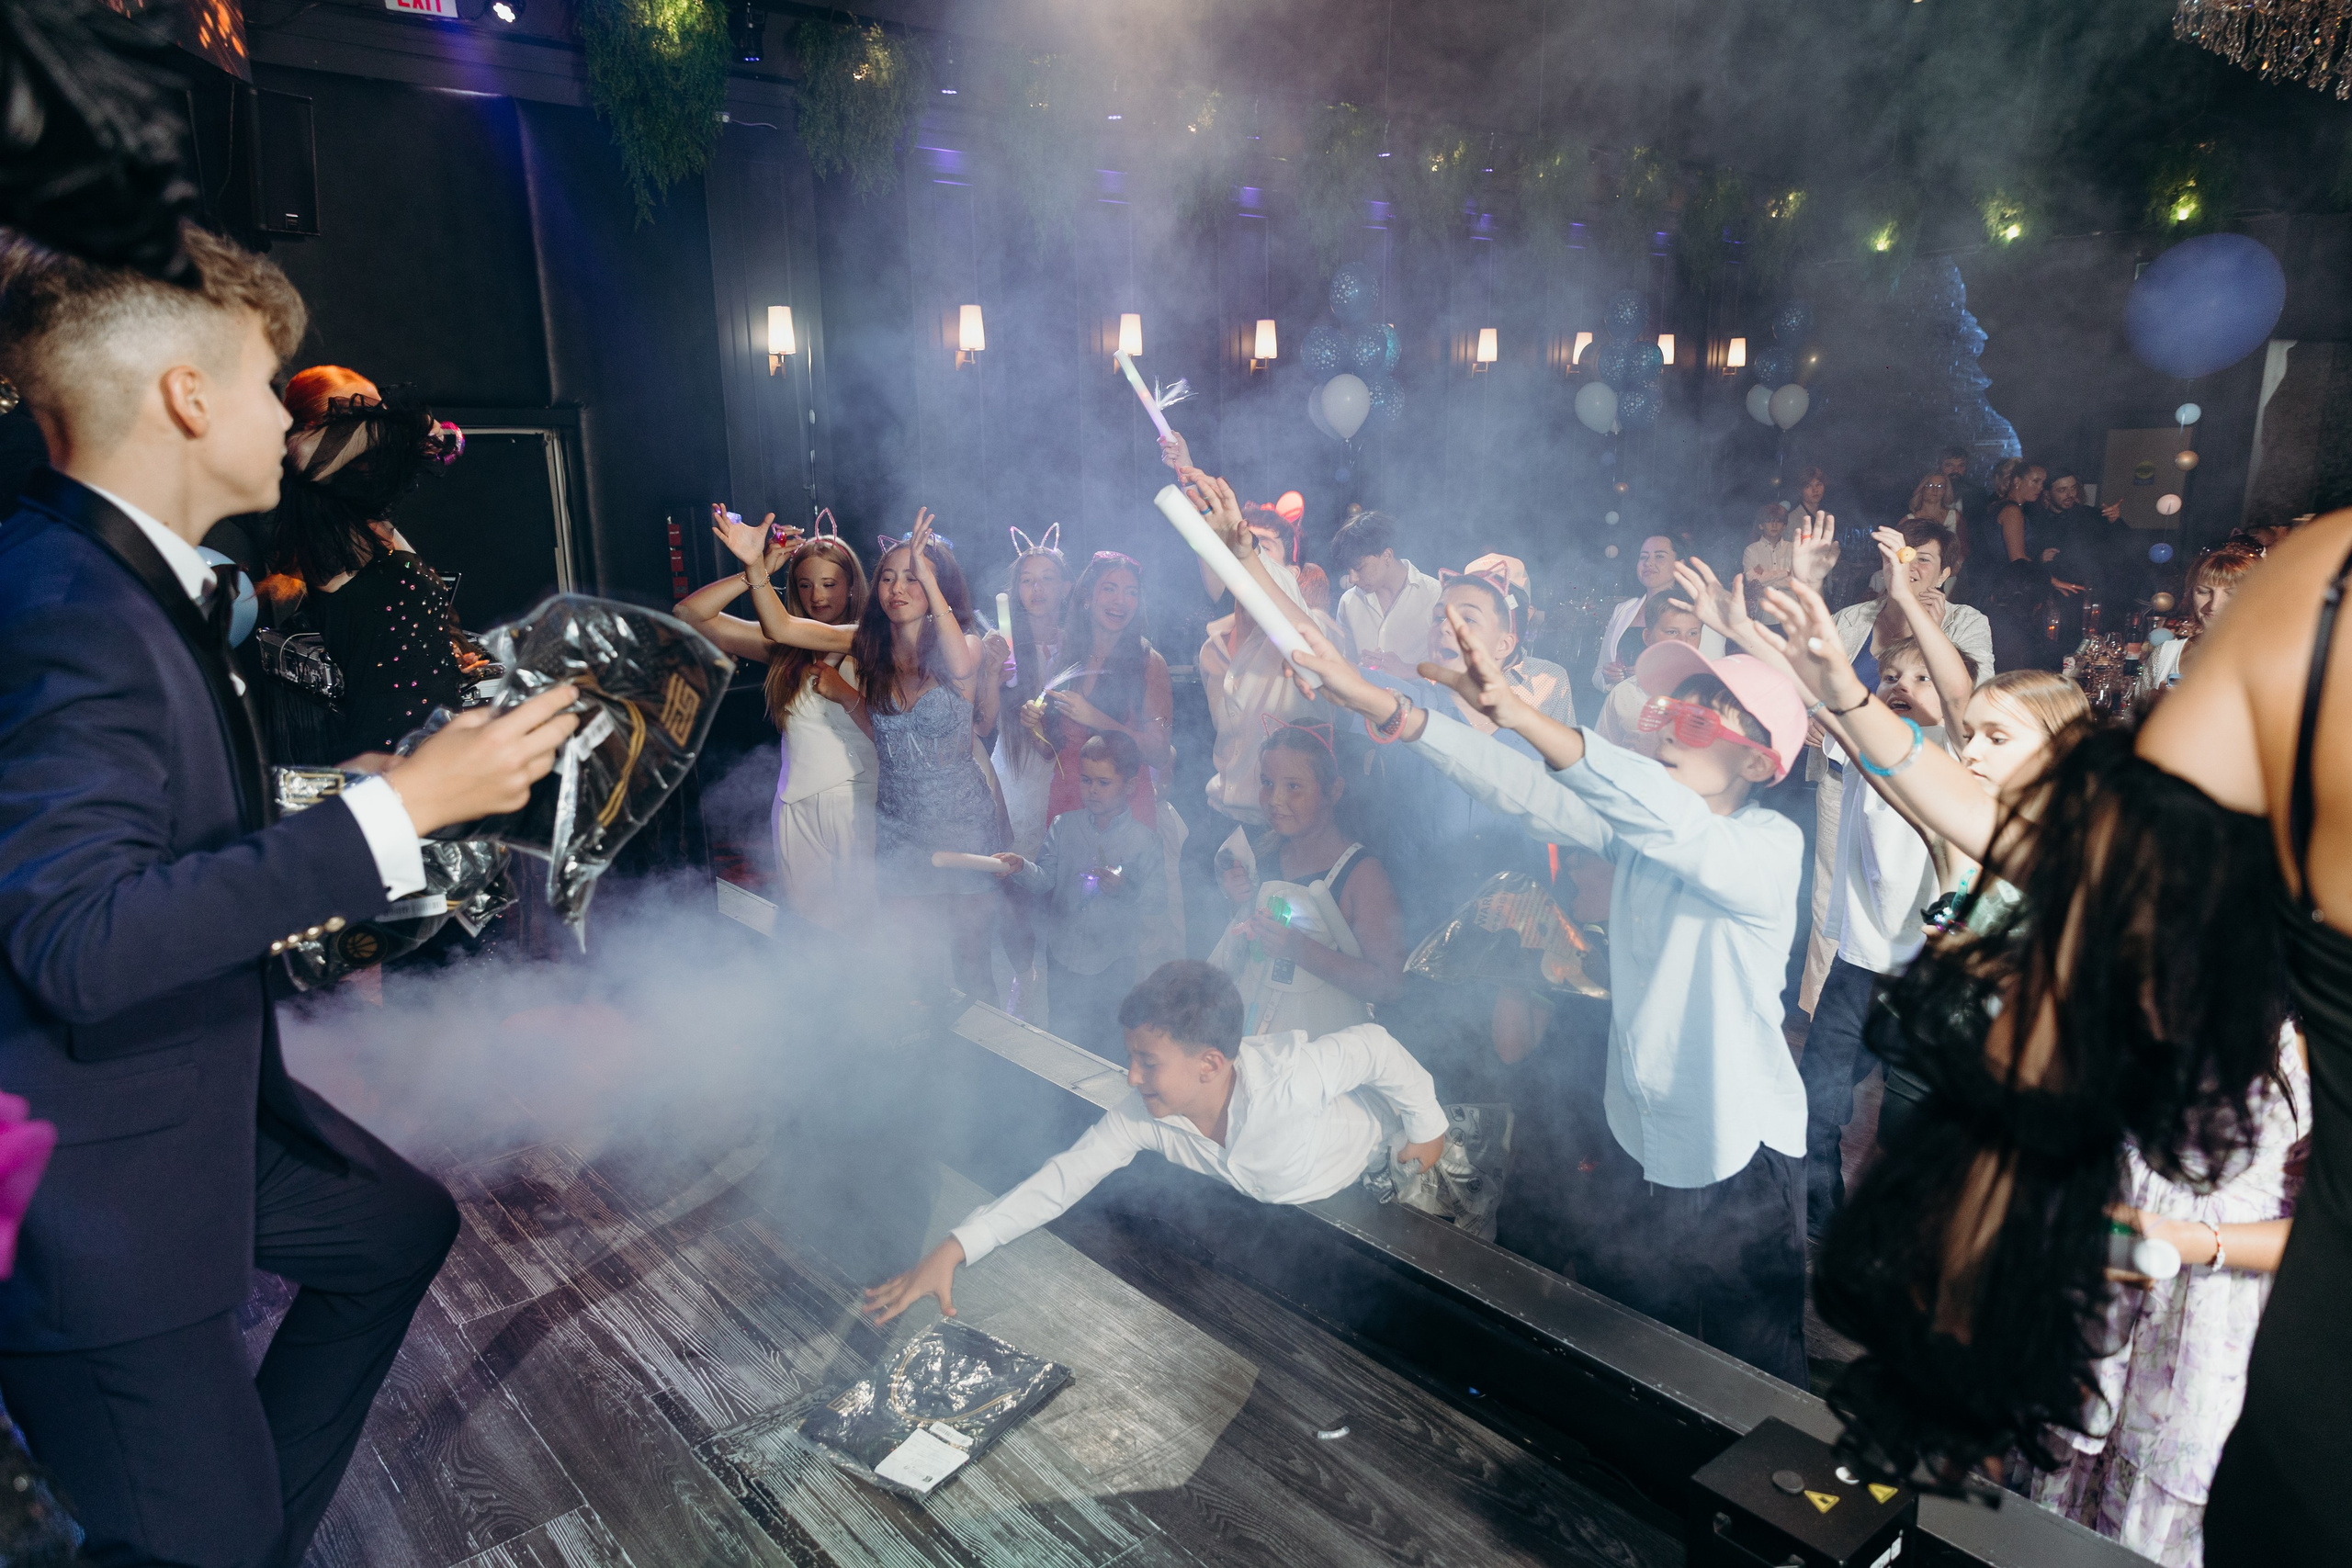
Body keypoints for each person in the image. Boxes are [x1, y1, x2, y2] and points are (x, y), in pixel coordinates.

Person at [0, 224, 582, 1567]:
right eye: (271, 380)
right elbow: (77, 941)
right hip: (92, 1196)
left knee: (395, 1225)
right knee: (197, 1538)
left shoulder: (119, 581)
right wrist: (404, 809)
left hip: (187, 1109)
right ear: (188, 397)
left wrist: (340, 791)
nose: (287, 413)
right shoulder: (64, 603)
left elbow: (146, 830)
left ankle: (230, 1521)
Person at [1289, 604, 1815, 1382]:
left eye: (1700, 723)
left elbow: (1677, 827)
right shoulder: (1634, 832)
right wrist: (1393, 710)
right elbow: (1523, 788)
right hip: (1642, 1136)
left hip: (1741, 1152)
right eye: (1669, 711)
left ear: (1760, 766)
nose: (1667, 728)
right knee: (1650, 1356)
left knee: (1763, 1381)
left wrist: (1524, 713)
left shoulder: (1769, 849)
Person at [861, 960, 1448, 1325]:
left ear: (1209, 1064)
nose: (1131, 1076)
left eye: (1147, 1062)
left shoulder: (1289, 1083)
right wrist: (954, 1247)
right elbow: (1062, 1180)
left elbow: (1374, 1045)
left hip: (1397, 1162)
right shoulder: (1143, 1116)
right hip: (1316, 1191)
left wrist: (1428, 1128)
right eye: (1130, 1058)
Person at [2019, 1024, 2306, 1566]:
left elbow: (2330, 1229)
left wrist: (2189, 1239)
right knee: (2062, 1501)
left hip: (2211, 1316)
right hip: (2106, 1274)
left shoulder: (2323, 1008)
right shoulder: (2168, 956)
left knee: (2154, 1519)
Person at [719, 508, 1002, 995]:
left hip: (961, 823)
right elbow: (783, 629)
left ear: (940, 586)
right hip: (898, 827)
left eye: (912, 578)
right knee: (912, 962)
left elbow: (957, 663)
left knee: (972, 961)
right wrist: (754, 568)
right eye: (888, 577)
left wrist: (929, 579)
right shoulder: (866, 644)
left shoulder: (968, 644)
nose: (896, 588)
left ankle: (992, 1068)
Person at [1794, 516, 1993, 1014]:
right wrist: (1813, 720)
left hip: (1929, 783)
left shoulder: (1967, 621)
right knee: (1834, 896)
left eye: (1922, 557)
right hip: (1847, 774)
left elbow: (1971, 701)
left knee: (1914, 899)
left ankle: (1909, 1017)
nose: (1909, 566)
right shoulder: (1855, 617)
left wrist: (1923, 619)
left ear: (1945, 570)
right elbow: (1816, 675)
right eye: (1899, 555)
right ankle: (1826, 1014)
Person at [258, 367, 468, 761]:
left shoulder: (369, 523)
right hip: (388, 755)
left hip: (432, 747)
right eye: (360, 415)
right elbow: (303, 454)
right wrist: (409, 424)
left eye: (380, 413)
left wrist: (454, 649)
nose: (379, 422)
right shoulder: (324, 528)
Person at [675, 516, 875, 928]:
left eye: (829, 583)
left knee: (863, 924)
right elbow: (689, 614)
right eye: (804, 584)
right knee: (810, 927)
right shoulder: (783, 647)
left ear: (851, 586)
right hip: (793, 802)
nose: (817, 595)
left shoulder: (869, 642)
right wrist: (759, 569)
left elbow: (895, 727)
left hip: (858, 799)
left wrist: (844, 690)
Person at [1209, 724, 1406, 1037]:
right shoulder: (1264, 854)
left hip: (1321, 1039)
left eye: (1293, 786)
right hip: (1253, 1020)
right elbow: (1244, 946)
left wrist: (1298, 948)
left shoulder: (1362, 874)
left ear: (1334, 791)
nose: (1274, 799)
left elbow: (1389, 985)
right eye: (1267, 783)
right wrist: (1240, 902)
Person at [992, 732, 1165, 1058]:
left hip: (1112, 960)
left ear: (1129, 786)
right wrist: (1020, 867)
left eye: (1103, 782)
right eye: (1086, 780)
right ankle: (1060, 1100)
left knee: (1107, 1038)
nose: (1092, 791)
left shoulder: (1144, 842)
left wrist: (1126, 891)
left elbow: (1158, 901)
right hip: (1063, 953)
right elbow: (1044, 880)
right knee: (1063, 1033)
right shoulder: (1064, 825)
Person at [992, 525, 1069, 860]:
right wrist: (988, 677)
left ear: (1066, 588)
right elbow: (980, 718)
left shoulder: (1078, 646)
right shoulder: (1000, 645)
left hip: (1064, 770)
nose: (1037, 589)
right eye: (1027, 580)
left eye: (1048, 579)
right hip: (1014, 768)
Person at [1329, 510, 1442, 673]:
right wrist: (1359, 669)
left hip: (1420, 698)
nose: (1352, 578)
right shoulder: (1349, 602)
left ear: (1387, 556)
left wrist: (1407, 670)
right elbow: (1344, 665)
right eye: (1348, 570)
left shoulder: (1435, 595)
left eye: (1359, 568)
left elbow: (1453, 671)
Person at [1595, 590, 1705, 755]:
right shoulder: (1624, 693)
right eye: (1672, 632)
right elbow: (1600, 755)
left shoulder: (1711, 695)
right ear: (1647, 637)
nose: (1684, 642)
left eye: (1693, 633)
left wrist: (1659, 750)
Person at [2140, 544, 2257, 694]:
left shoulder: (2268, 661)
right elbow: (2131, 716)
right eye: (2203, 592)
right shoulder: (2166, 654)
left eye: (2231, 594)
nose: (2214, 605)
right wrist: (2152, 707)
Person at [1592, 534, 1681, 692]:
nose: (1648, 563)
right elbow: (1598, 674)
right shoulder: (1623, 610)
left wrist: (1655, 677)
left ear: (1679, 565)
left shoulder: (1694, 611)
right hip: (1621, 710)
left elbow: (1708, 678)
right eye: (1643, 557)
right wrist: (1607, 677)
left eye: (1659, 556)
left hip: (1667, 711)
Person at [1742, 503, 1793, 624]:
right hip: (1764, 616)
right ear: (1761, 525)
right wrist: (1785, 572)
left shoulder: (1793, 549)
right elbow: (1752, 581)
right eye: (1770, 521)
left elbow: (1797, 580)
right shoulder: (1751, 550)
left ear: (1784, 525)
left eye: (1779, 521)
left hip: (1790, 615)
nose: (1774, 525)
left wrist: (1765, 578)